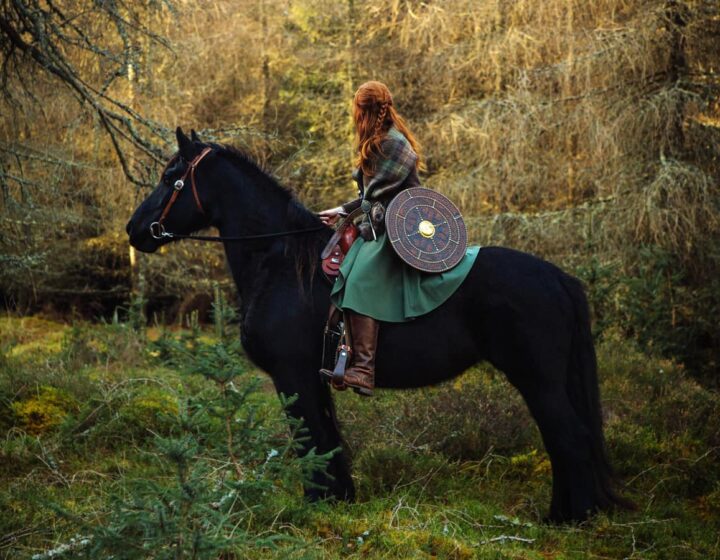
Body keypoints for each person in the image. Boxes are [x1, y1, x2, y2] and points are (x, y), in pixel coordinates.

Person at [318, 81, 479, 396]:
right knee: (349, 263)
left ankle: (363, 369)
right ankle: (342, 353)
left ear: (365, 111)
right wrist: (340, 210)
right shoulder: (377, 142)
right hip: (381, 223)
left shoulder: (394, 144)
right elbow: (369, 196)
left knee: (361, 277)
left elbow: (375, 196)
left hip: (401, 228)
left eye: (357, 111)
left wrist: (346, 212)